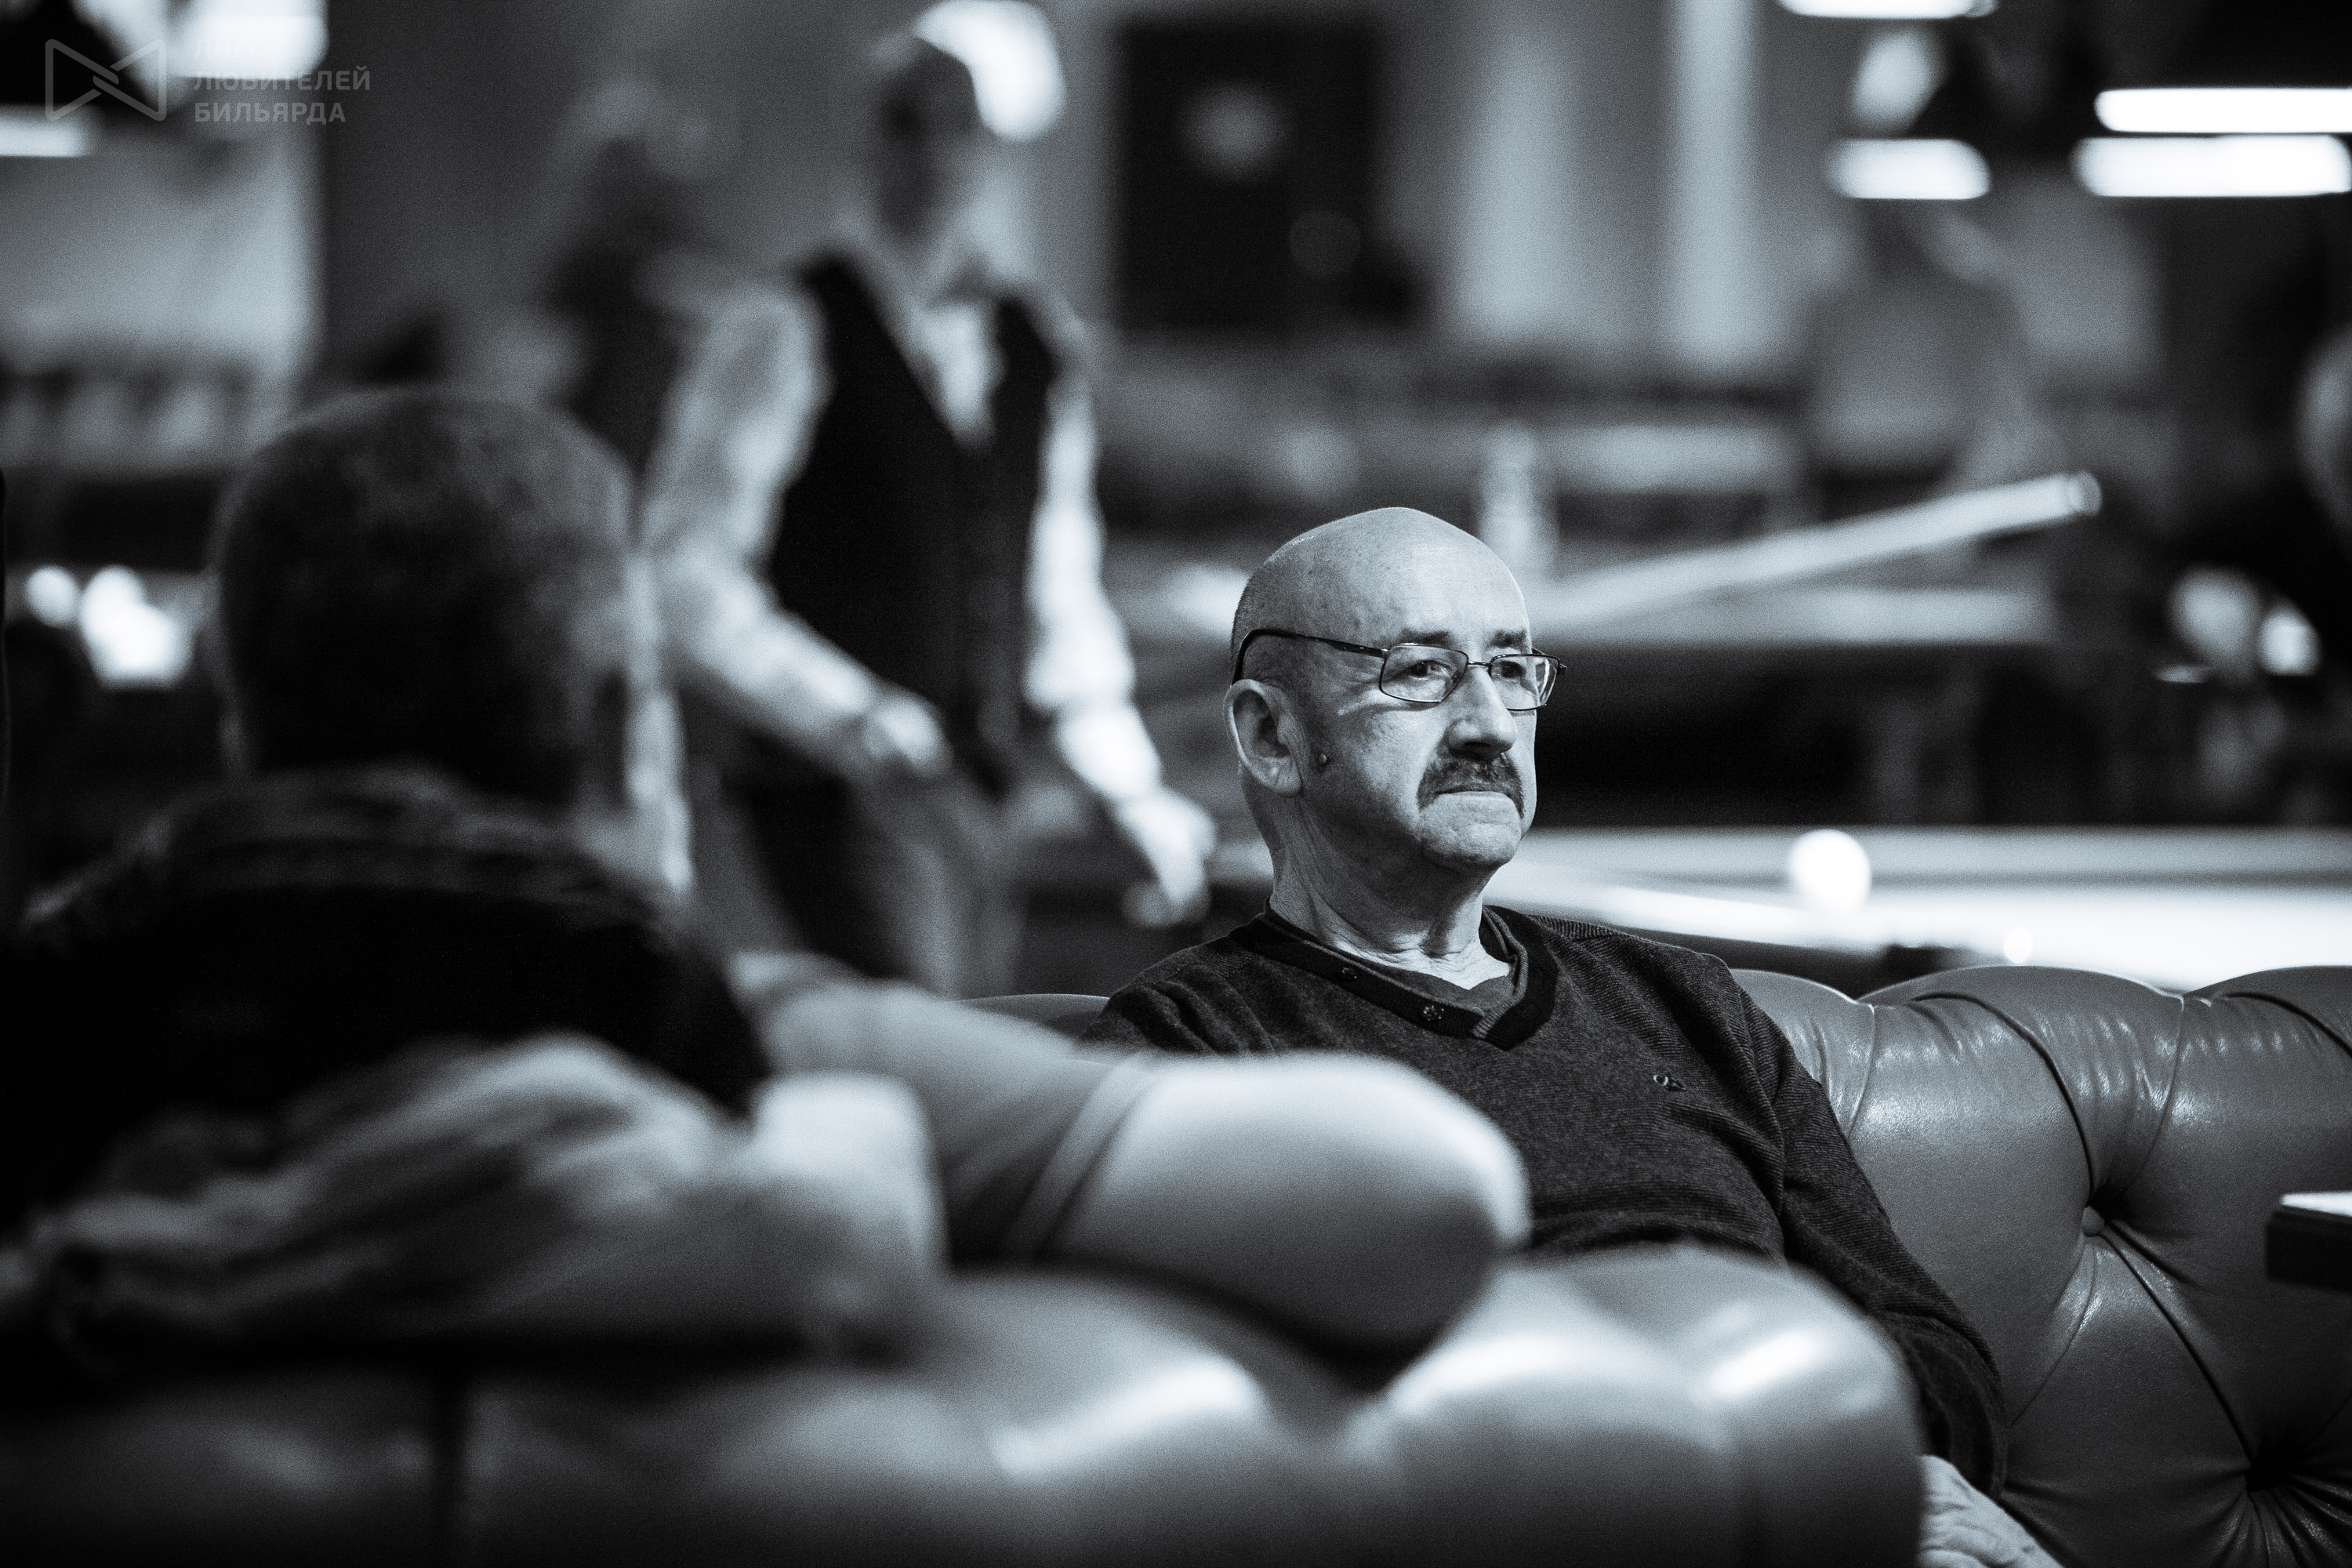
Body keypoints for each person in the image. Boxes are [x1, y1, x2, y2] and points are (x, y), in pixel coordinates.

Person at [0, 394, 1528, 1370]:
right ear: (629, 729)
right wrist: (837, 1135)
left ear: (242, 735)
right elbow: (1424, 1194)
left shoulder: (62, 1034)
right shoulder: (783, 1053)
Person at [1081, 507, 2047, 1564]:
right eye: (1420, 672)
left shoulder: (1684, 1002)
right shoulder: (1189, 1049)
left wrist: (1861, 1480)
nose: (1491, 724)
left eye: (1512, 670)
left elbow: (1939, 1359)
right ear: (1272, 737)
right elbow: (1216, 1444)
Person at [639, 31, 1210, 994]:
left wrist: (1127, 784)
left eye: (962, 126)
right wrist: (845, 711)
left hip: (987, 786)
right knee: (924, 1034)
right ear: (862, 142)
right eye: (908, 124)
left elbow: (1056, 588)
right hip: (834, 791)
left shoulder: (1038, 336)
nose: (938, 152)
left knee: (979, 1023)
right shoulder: (783, 322)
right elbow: (682, 571)